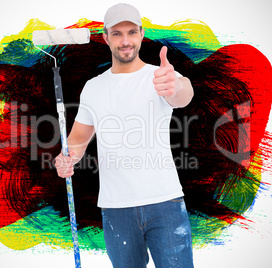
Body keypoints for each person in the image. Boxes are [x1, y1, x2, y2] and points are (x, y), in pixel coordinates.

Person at [55, 3, 194, 268]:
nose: (125, 40)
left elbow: (183, 94)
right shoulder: (93, 88)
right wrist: (67, 157)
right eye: (117, 34)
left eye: (131, 32)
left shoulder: (160, 76)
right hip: (116, 209)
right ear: (106, 38)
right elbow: (78, 139)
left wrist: (176, 84)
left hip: (165, 203)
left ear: (141, 35)